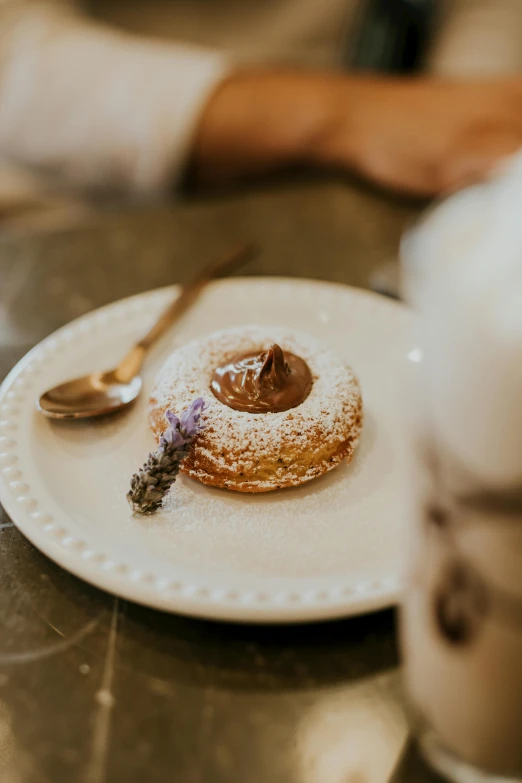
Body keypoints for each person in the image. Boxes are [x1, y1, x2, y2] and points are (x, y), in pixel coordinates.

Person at [1, 0, 522, 206]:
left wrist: (461, 101)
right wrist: (343, 113)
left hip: (338, 172)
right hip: (79, 184)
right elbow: (14, 53)